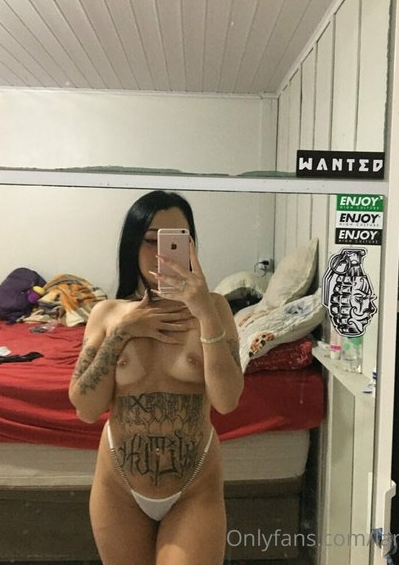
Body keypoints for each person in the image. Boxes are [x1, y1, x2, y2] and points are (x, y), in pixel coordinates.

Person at [69, 190, 244, 565]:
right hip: (118, 488)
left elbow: (227, 401)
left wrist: (204, 313)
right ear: (133, 245)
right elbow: (85, 407)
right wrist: (122, 332)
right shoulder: (107, 313)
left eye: (176, 241)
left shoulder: (214, 308)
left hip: (194, 487)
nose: (163, 254)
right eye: (152, 241)